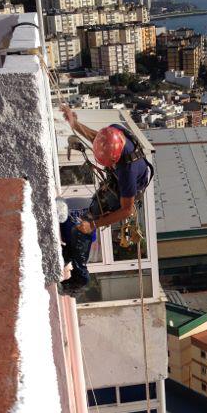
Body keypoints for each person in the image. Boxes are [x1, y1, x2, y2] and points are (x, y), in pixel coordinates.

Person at [59, 106, 153, 296]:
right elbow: (96, 138)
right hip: (115, 180)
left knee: (82, 226)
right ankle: (68, 254)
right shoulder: (113, 133)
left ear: (115, 158)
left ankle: (80, 278)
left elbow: (126, 210)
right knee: (82, 224)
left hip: (124, 191)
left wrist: (93, 224)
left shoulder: (127, 171)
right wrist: (75, 124)